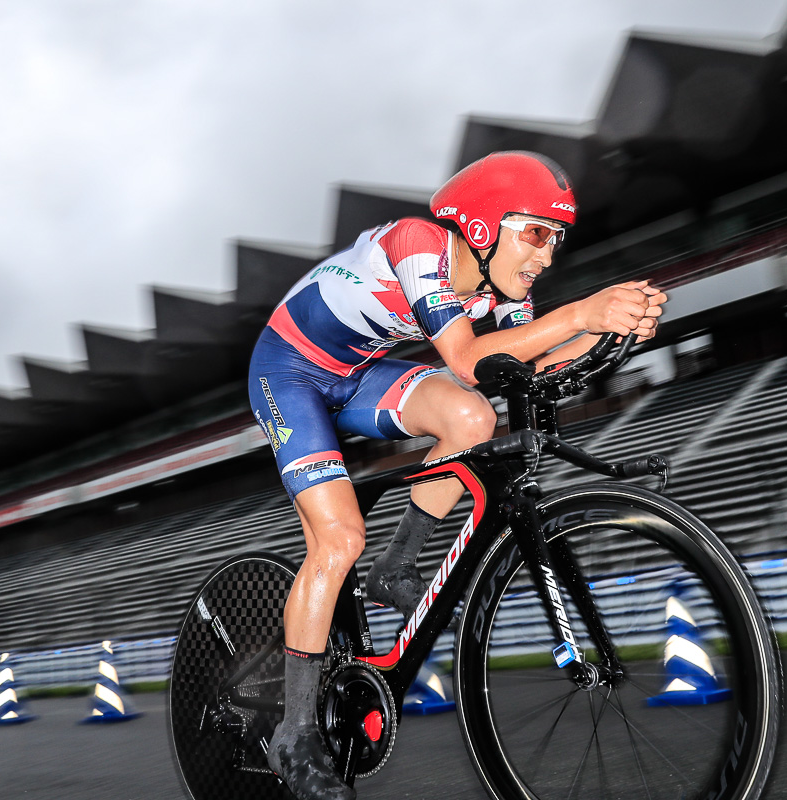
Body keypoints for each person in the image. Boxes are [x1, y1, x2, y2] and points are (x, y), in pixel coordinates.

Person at [248, 150, 667, 800]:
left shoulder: (503, 296)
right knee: (338, 541)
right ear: (480, 226)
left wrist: (613, 333)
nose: (546, 256)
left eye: (555, 239)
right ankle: (294, 733)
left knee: (471, 420)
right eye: (535, 233)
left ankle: (398, 565)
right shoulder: (419, 245)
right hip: (288, 372)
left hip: (357, 373)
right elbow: (470, 358)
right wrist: (583, 313)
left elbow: (527, 369)